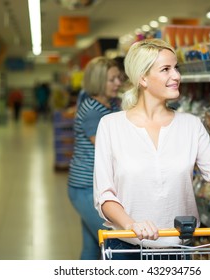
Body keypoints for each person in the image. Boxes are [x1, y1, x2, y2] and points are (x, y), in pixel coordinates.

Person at [92, 38, 210, 259]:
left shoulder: (190, 125)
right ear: (142, 78)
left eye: (176, 68)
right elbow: (104, 196)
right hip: (126, 249)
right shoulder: (111, 125)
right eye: (165, 69)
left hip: (179, 250)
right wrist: (132, 224)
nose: (176, 76)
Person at [67, 56, 124, 260]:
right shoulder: (92, 110)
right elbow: (106, 149)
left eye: (118, 78)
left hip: (98, 187)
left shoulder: (113, 105)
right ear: (98, 81)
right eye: (112, 80)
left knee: (91, 247)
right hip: (85, 188)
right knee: (113, 244)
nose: (118, 83)